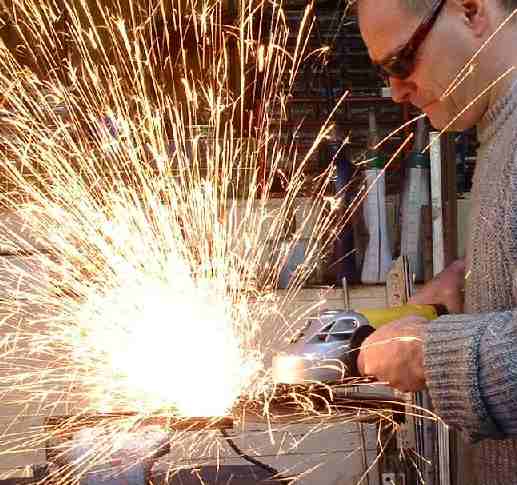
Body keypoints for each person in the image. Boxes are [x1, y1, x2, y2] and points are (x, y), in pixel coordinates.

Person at [356, 0, 517, 483]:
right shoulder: (500, 128)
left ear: (470, 11)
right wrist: (473, 280)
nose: (396, 91)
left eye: (402, 63)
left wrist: (430, 353)